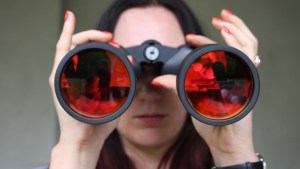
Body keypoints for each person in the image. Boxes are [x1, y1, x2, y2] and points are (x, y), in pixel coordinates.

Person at [48, 0, 263, 168]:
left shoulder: (230, 155)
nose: (150, 92)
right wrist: (77, 149)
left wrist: (233, 153)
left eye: (175, 70)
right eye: (124, 73)